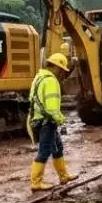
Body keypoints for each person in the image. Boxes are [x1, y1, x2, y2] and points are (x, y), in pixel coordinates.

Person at [29, 52, 78, 191]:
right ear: (56, 67)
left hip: (40, 120)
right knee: (44, 152)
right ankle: (36, 182)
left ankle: (64, 176)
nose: (62, 73)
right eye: (62, 70)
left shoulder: (39, 77)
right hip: (47, 121)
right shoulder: (51, 80)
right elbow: (51, 107)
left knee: (58, 148)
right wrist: (61, 119)